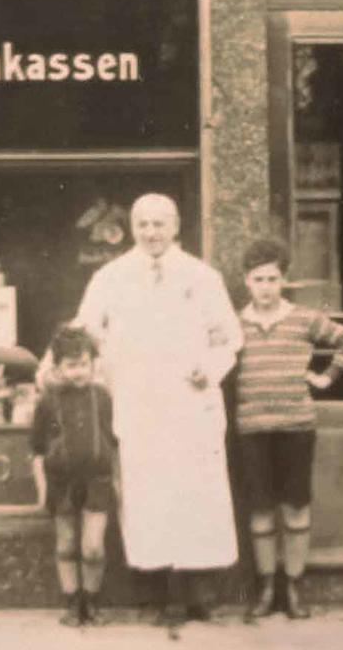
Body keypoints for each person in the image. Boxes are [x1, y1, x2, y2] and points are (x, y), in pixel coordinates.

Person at [70, 193, 242, 628]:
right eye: (143, 224)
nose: (151, 233)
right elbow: (85, 332)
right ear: (132, 229)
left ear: (176, 226)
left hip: (189, 403)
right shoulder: (111, 277)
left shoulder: (202, 277)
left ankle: (195, 591)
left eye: (160, 224)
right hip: (139, 403)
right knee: (149, 494)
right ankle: (162, 590)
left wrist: (210, 368)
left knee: (194, 494)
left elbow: (228, 337)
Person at [232, 237, 343, 620]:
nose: (266, 287)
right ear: (246, 281)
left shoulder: (303, 319)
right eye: (258, 279)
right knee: (259, 510)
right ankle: (266, 586)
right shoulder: (234, 323)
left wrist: (325, 378)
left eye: (273, 279)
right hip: (252, 428)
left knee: (295, 507)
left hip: (296, 427)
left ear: (283, 280)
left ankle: (293, 587)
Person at [29, 324, 115, 627]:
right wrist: (42, 491)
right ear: (58, 367)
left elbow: (115, 443)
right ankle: (72, 602)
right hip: (61, 484)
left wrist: (119, 483)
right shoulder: (48, 401)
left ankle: (92, 601)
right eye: (71, 365)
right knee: (66, 544)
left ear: (92, 364)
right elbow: (37, 450)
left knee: (92, 547)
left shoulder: (103, 397)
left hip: (97, 482)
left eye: (83, 365)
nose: (78, 372)